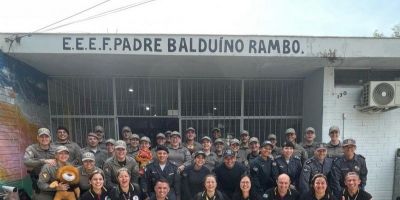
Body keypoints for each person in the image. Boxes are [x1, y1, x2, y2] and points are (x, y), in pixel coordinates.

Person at [23, 127, 56, 198]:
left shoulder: (56, 149)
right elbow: (26, 161)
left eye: (46, 136)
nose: (44, 139)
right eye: (41, 136)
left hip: (55, 180)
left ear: (50, 138)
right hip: (39, 182)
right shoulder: (31, 148)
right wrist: (43, 161)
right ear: (37, 138)